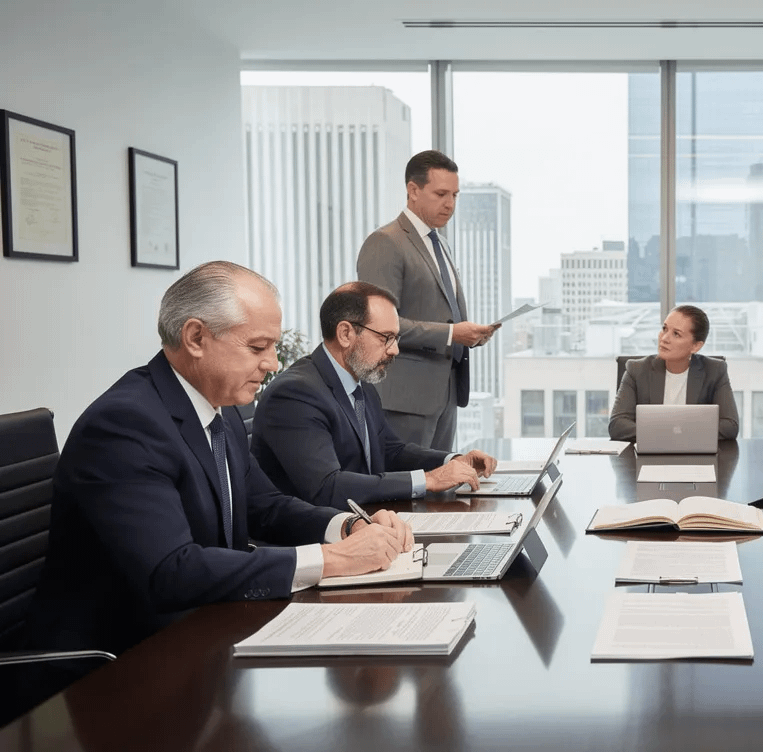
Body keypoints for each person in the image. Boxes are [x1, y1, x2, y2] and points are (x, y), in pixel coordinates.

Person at [26, 262, 415, 657]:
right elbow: (172, 571)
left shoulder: (219, 409)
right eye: (258, 347)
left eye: (274, 346)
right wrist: (330, 560)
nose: (273, 363)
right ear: (196, 337)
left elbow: (265, 506)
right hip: (117, 663)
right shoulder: (125, 425)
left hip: (202, 629)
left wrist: (346, 527)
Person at [251, 281, 498, 509]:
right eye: (386, 338)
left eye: (396, 338)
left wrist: (452, 460)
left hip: (368, 521)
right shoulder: (295, 395)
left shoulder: (361, 383)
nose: (395, 350)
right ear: (345, 334)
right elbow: (327, 487)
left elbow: (391, 451)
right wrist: (428, 479)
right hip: (316, 539)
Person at [357, 150, 499, 451]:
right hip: (404, 399)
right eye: (441, 194)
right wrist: (451, 334)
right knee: (409, 490)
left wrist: (469, 336)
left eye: (455, 195)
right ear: (413, 190)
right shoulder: (386, 242)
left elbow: (442, 311)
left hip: (444, 393)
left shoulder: (440, 244)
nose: (450, 204)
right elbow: (377, 326)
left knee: (441, 484)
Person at [608, 304, 739, 441]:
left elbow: (730, 426)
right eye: (664, 329)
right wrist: (673, 434)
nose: (664, 338)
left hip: (695, 456)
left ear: (696, 346)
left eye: (676, 334)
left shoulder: (715, 371)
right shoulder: (637, 370)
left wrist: (670, 433)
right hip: (650, 455)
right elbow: (617, 425)